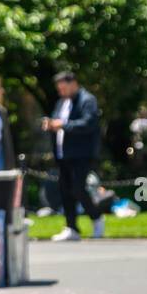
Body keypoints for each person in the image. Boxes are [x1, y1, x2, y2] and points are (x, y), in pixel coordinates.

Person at [43, 70, 104, 241]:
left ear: (73, 84)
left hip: (81, 154)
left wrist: (63, 125)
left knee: (78, 188)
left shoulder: (87, 100)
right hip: (64, 154)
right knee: (65, 191)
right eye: (59, 89)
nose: (61, 92)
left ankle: (96, 217)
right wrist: (50, 124)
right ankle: (72, 227)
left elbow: (88, 123)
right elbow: (56, 120)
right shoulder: (62, 103)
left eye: (63, 88)